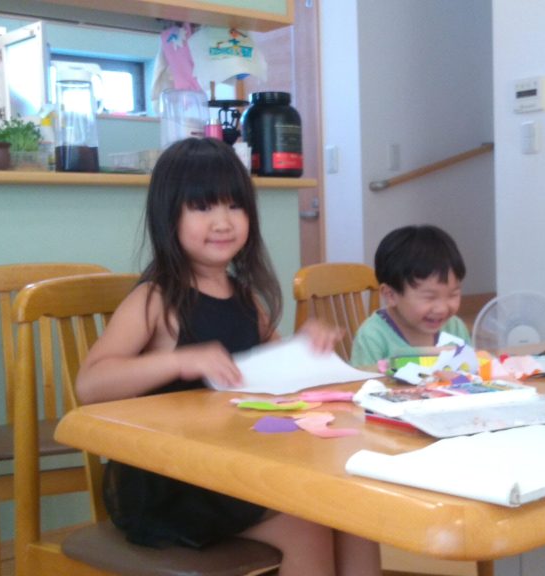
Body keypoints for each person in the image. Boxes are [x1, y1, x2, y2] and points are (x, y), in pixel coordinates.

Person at [76, 138, 380, 576]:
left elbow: (275, 372)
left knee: (355, 512)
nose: (222, 222)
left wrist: (305, 348)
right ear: (169, 216)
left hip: (236, 466)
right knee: (308, 526)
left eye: (235, 206)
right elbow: (90, 384)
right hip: (175, 481)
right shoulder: (156, 299)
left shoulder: (244, 298)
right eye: (202, 208)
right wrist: (179, 360)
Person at [350, 224, 470, 368]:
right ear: (390, 295)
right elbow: (361, 380)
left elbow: (470, 371)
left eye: (453, 295)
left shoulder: (455, 328)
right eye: (430, 297)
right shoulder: (373, 336)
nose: (442, 309)